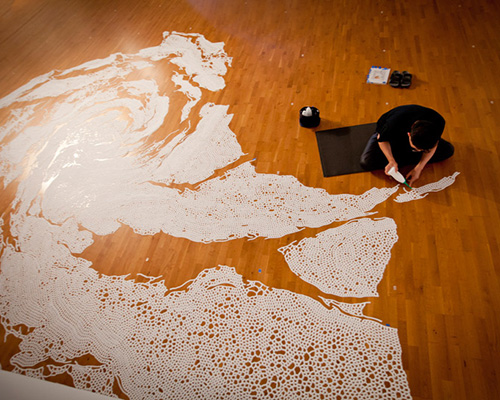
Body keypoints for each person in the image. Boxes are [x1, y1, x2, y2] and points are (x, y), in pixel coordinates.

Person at [360, 104, 454, 185]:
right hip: (391, 137)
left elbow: (434, 145)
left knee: (449, 150)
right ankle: (399, 158)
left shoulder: (438, 122)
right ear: (409, 134)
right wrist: (391, 160)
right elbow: (382, 140)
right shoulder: (393, 122)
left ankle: (402, 158)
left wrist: (418, 169)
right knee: (367, 162)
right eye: (415, 149)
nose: (418, 152)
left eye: (423, 150)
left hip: (415, 139)